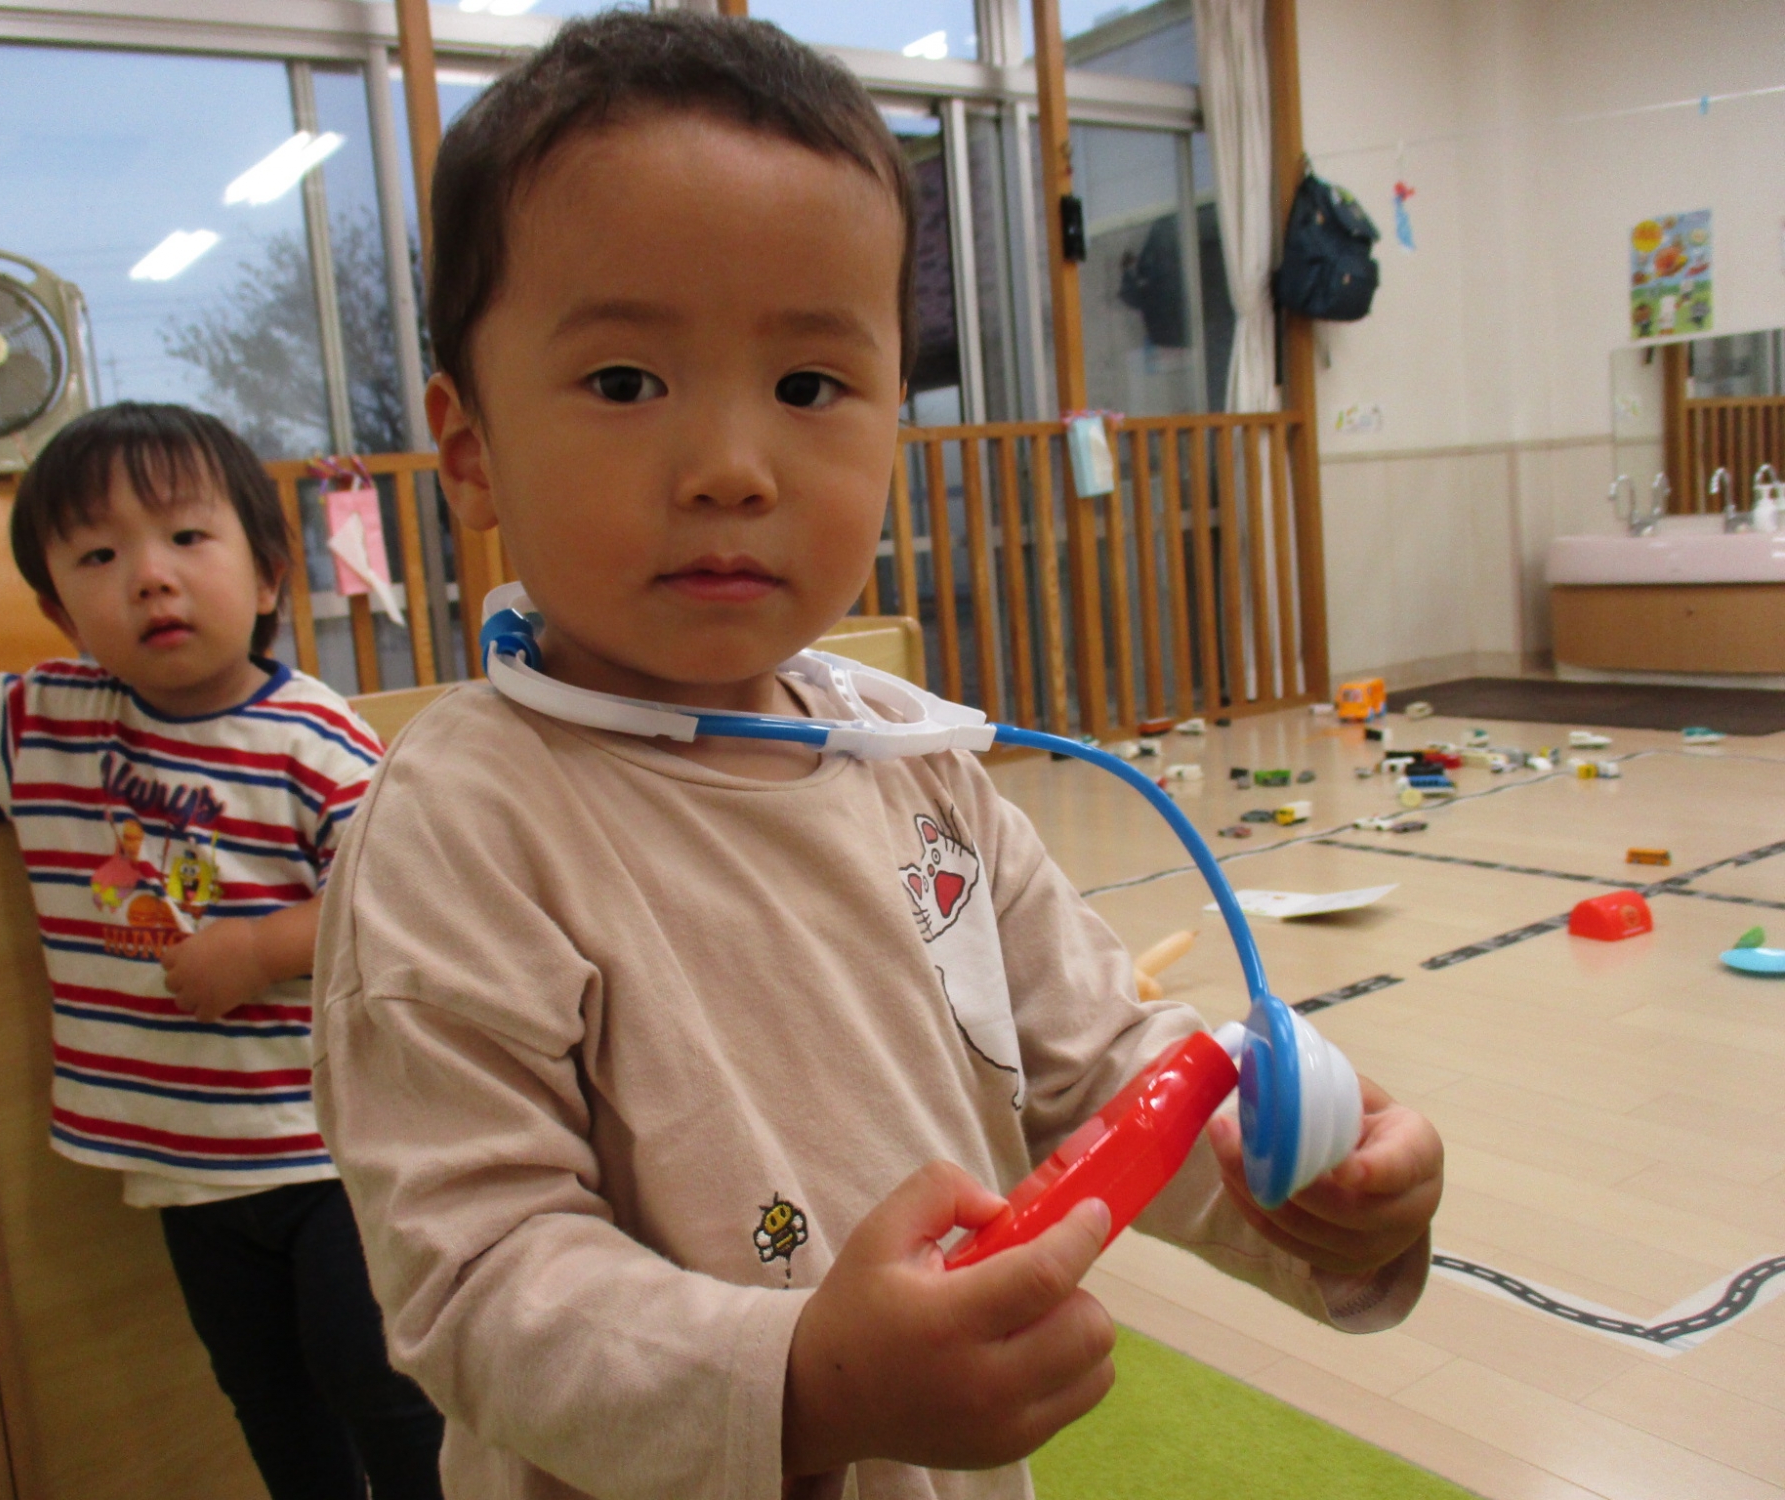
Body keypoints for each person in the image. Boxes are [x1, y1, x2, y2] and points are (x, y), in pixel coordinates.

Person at [312, 14, 1444, 1500]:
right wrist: (806, 1384)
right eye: (626, 382)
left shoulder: (912, 765)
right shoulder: (459, 823)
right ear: (469, 450)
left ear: (891, 430)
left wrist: (1307, 1189)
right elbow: (476, 1282)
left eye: (808, 388)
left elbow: (1106, 1068)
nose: (732, 467)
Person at [0, 403, 443, 1500]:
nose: (150, 577)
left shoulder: (313, 735)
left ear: (267, 575)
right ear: (57, 609)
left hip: (332, 1151)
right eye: (99, 555)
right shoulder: (44, 720)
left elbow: (406, 897)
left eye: (186, 537)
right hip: (181, 1167)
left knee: (379, 1390)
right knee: (267, 1397)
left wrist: (262, 947)